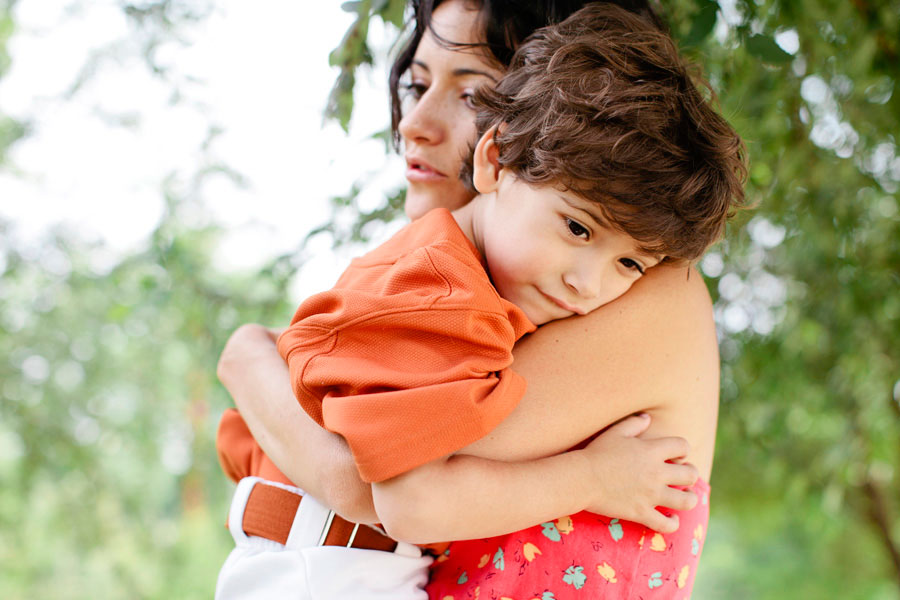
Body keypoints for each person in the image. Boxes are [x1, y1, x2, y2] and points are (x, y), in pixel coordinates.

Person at [215, 1, 746, 599]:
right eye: (416, 83)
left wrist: (253, 362)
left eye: (472, 94)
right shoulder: (446, 287)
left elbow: (361, 480)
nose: (414, 122)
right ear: (503, 154)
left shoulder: (647, 294)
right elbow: (398, 489)